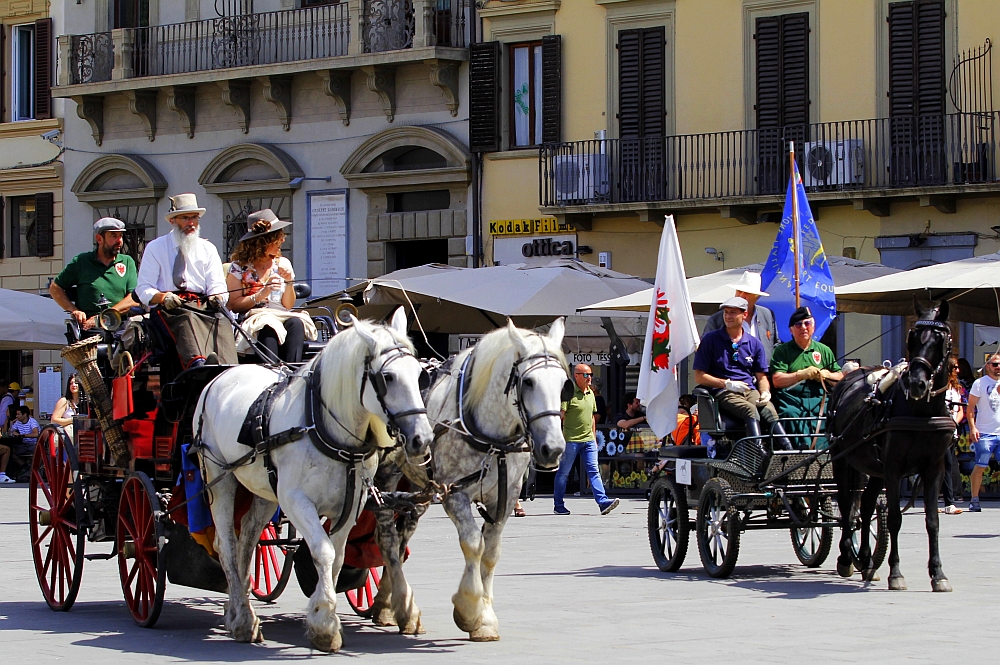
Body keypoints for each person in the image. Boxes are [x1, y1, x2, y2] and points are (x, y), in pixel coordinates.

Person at [136, 193, 238, 369]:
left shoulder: (208, 248)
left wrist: (217, 297)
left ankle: (226, 367)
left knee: (222, 319)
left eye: (194, 218)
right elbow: (143, 288)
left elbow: (217, 284)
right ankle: (198, 364)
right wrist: (162, 297)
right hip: (170, 307)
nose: (191, 223)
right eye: (185, 218)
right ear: (173, 221)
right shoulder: (156, 247)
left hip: (203, 304)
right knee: (187, 317)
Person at [693, 297, 792, 452]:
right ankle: (758, 453)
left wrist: (765, 391)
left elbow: (762, 376)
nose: (728, 316)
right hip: (723, 391)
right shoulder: (711, 340)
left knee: (768, 410)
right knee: (750, 410)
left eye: (733, 313)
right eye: (726, 312)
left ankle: (788, 450)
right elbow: (699, 376)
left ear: (744, 315)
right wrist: (726, 383)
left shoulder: (754, 343)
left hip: (748, 389)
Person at [226, 210, 315, 363]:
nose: (282, 240)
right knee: (267, 325)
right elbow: (234, 305)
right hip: (255, 316)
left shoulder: (283, 263)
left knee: (296, 323)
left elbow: (288, 305)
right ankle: (272, 371)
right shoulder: (238, 267)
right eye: (278, 237)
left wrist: (288, 282)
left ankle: (292, 371)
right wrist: (262, 293)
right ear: (262, 243)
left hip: (281, 313)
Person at [770, 306, 843, 447]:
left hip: (819, 400)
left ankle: (826, 454)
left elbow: (840, 377)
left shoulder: (823, 350)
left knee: (837, 412)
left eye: (807, 323)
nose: (803, 327)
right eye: (798, 324)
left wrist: (826, 375)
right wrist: (800, 375)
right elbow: (777, 380)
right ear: (791, 330)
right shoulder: (782, 351)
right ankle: (797, 454)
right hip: (792, 400)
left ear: (813, 327)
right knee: (789, 414)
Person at [553, 363, 620, 516]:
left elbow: (592, 417)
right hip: (571, 440)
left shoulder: (590, 393)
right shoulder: (568, 394)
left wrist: (594, 437)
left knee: (594, 472)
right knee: (563, 473)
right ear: (576, 376)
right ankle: (558, 505)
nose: (589, 377)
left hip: (588, 440)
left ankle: (603, 502)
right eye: (586, 375)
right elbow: (560, 416)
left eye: (590, 374)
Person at [50, 217, 139, 332]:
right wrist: (73, 310)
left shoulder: (127, 262)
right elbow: (55, 288)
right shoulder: (81, 261)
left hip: (121, 327)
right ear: (99, 239)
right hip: (90, 329)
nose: (119, 241)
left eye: (120, 236)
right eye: (113, 236)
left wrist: (104, 317)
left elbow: (134, 299)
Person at [702, 271, 780, 363]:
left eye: (747, 293)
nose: (742, 296)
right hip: (730, 373)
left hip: (762, 373)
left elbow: (775, 345)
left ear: (757, 297)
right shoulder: (717, 319)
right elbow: (704, 349)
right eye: (739, 291)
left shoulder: (766, 314)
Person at [966, 353, 1000, 512]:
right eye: (995, 364)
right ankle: (974, 499)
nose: (998, 367)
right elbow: (970, 408)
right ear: (987, 366)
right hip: (985, 432)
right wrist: (973, 428)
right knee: (981, 465)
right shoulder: (979, 383)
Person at [941, 357, 965, 515]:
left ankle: (947, 501)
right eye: (955, 367)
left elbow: (961, 410)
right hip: (941, 432)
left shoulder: (956, 388)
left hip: (952, 431)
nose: (958, 370)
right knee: (945, 465)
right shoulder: (940, 387)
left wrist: (955, 422)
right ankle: (949, 502)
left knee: (948, 465)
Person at [51, 373, 82, 439]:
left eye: (76, 383)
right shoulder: (64, 401)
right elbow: (54, 420)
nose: (73, 385)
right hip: (66, 438)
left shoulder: (85, 402)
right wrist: (72, 420)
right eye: (71, 383)